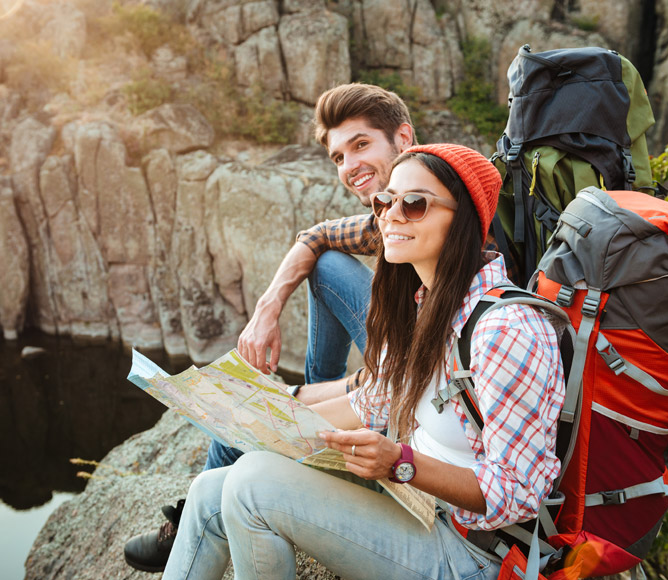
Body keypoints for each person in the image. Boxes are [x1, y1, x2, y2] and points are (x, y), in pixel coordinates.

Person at [123, 84, 503, 572]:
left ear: (403, 138)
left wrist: (392, 452)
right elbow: (317, 235)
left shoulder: (468, 257)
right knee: (257, 389)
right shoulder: (389, 221)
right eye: (339, 156)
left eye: (361, 145)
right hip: (400, 383)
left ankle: (226, 491)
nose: (350, 167)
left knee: (251, 445)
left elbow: (421, 388)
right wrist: (267, 313)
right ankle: (272, 427)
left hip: (445, 446)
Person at [160, 144, 565, 580]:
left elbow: (521, 493)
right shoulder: (421, 306)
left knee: (250, 485)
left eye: (414, 204)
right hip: (413, 502)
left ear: (465, 220)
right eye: (385, 200)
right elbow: (370, 404)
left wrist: (400, 462)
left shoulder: (506, 330)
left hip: (473, 551)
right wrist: (252, 415)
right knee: (207, 491)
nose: (390, 214)